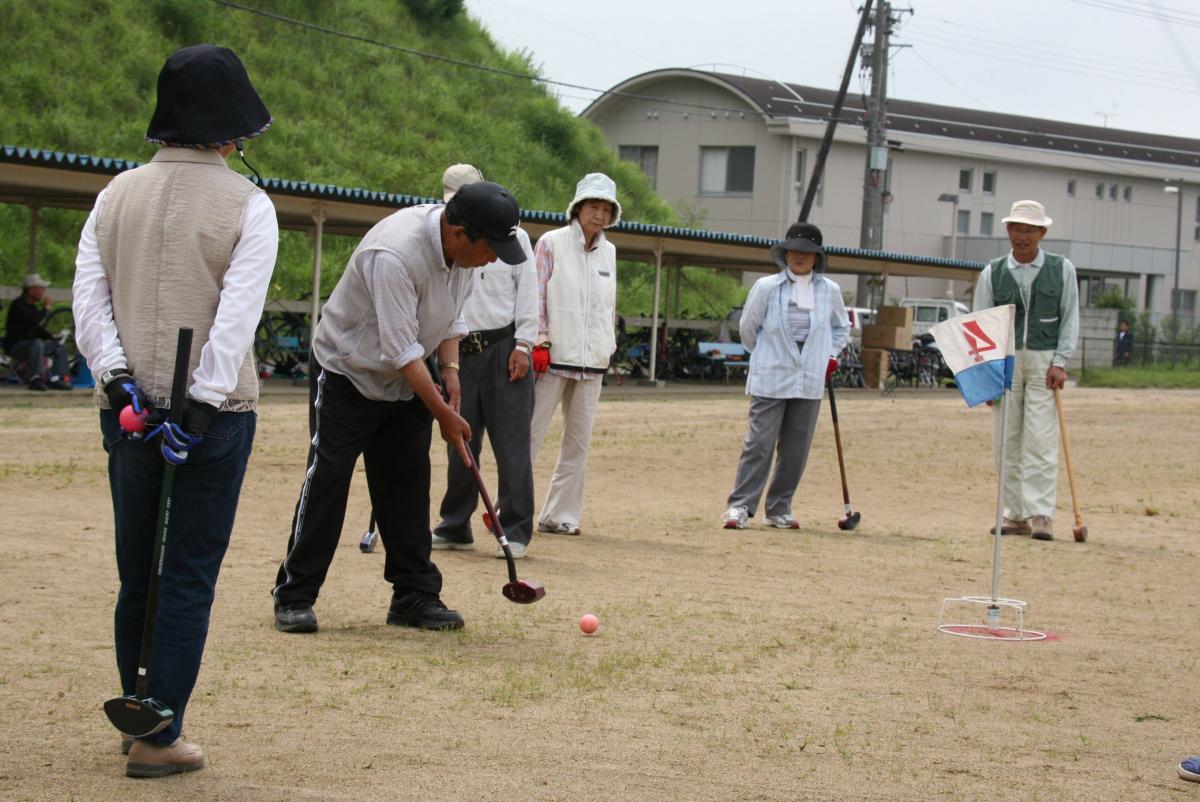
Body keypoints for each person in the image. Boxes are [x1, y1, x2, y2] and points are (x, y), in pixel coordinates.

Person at [72, 45, 277, 778]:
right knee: (184, 573)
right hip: (211, 419)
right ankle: (159, 736)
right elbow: (236, 320)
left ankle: (139, 711)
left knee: (140, 573)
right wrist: (197, 406)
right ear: (232, 133)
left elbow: (89, 304)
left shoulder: (113, 194)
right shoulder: (250, 206)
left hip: (127, 410)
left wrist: (122, 381)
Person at [272, 180, 528, 635]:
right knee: (329, 478)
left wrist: (450, 371)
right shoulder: (394, 253)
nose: (494, 259)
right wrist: (445, 415)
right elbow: (401, 350)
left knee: (408, 483)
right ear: (459, 232)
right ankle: (294, 593)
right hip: (349, 372)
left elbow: (452, 318)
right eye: (492, 247)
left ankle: (414, 594)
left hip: (411, 373)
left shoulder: (466, 254)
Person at [431, 165, 537, 559]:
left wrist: (524, 344)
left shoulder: (515, 237)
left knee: (512, 446)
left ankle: (516, 527)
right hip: (458, 350)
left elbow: (529, 293)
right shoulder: (446, 237)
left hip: (503, 346)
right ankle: (455, 523)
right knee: (460, 438)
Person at [722, 222, 850, 530]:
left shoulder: (830, 291)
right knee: (759, 444)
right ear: (785, 253)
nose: (800, 256)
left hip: (809, 380)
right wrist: (768, 355)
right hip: (771, 376)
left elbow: (841, 327)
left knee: (796, 448)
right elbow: (748, 330)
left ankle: (779, 507)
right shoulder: (766, 287)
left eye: (807, 252)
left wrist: (830, 355)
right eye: (794, 250)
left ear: (817, 257)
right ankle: (740, 506)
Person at [972, 199, 1079, 541]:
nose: (1023, 236)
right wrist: (985, 375)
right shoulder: (992, 271)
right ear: (1008, 230)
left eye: (1030, 229)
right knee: (1006, 439)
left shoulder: (1062, 269)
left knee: (1041, 440)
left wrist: (1061, 362)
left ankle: (1041, 514)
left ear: (1042, 233)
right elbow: (980, 324)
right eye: (1017, 228)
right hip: (1005, 360)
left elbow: (1070, 317)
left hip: (1044, 360)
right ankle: (1013, 514)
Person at [528, 173, 620, 536]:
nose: (598, 215)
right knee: (530, 435)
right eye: (593, 207)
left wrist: (607, 346)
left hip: (593, 362)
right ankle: (510, 509)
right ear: (578, 207)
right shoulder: (551, 243)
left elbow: (607, 306)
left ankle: (560, 515)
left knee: (578, 443)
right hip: (552, 358)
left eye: (605, 209)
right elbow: (535, 295)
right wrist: (539, 339)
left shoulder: (610, 251)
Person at [3, 273, 72, 391]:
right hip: (16, 347)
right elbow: (32, 321)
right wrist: (45, 309)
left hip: (33, 347)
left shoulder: (33, 307)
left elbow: (36, 329)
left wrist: (53, 337)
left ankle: (55, 379)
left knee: (59, 347)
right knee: (37, 344)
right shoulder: (18, 305)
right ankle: (36, 379)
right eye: (40, 288)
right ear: (31, 290)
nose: (43, 291)